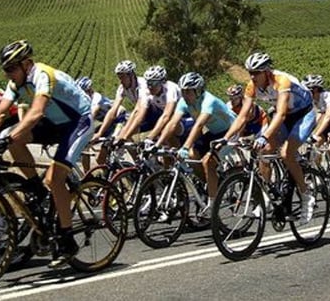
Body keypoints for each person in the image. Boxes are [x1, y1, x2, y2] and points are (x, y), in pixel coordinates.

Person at [0, 40, 95, 268]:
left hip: (78, 122)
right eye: (5, 70)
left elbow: (36, 111)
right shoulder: (16, 83)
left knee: (55, 179)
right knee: (13, 138)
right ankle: (35, 188)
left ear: (26, 64)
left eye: (11, 69)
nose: (8, 74)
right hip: (54, 123)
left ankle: (67, 240)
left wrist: (6, 138)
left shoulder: (43, 75)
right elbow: (0, 112)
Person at [223, 52, 316, 224]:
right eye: (250, 72)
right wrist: (226, 138)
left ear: (266, 71)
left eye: (256, 72)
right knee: (264, 152)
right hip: (286, 116)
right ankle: (266, 197)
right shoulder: (252, 86)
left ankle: (306, 194)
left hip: (303, 115)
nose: (252, 76)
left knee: (287, 153)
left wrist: (264, 135)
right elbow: (242, 116)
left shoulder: (282, 81)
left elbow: (279, 114)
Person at [165, 72, 236, 207]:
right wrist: (156, 143)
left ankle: (213, 204)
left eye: (188, 92)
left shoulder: (209, 101)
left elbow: (199, 125)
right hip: (215, 132)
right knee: (192, 155)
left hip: (231, 131)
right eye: (183, 92)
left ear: (198, 91)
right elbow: (172, 123)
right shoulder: (184, 102)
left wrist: (185, 146)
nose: (185, 95)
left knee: (208, 161)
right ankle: (210, 184)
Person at [114, 65, 181, 147]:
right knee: (161, 144)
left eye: (153, 83)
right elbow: (138, 113)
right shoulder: (146, 91)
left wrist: (149, 138)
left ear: (162, 82)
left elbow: (166, 115)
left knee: (166, 134)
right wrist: (123, 137)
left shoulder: (170, 88)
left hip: (180, 117)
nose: (150, 86)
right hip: (162, 115)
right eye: (148, 83)